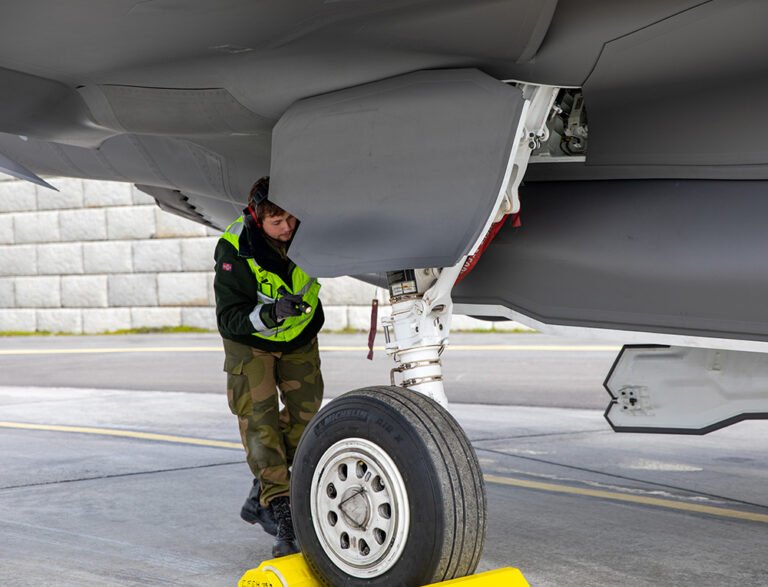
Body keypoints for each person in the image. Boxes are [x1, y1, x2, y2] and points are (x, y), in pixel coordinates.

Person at [213, 176, 324, 557]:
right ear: (257, 218)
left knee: (306, 419)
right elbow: (229, 318)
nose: (287, 229)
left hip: (298, 336)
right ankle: (282, 513)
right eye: (278, 222)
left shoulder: (309, 234)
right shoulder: (234, 250)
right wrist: (271, 313)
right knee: (258, 422)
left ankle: (261, 492)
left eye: (292, 219)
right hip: (251, 342)